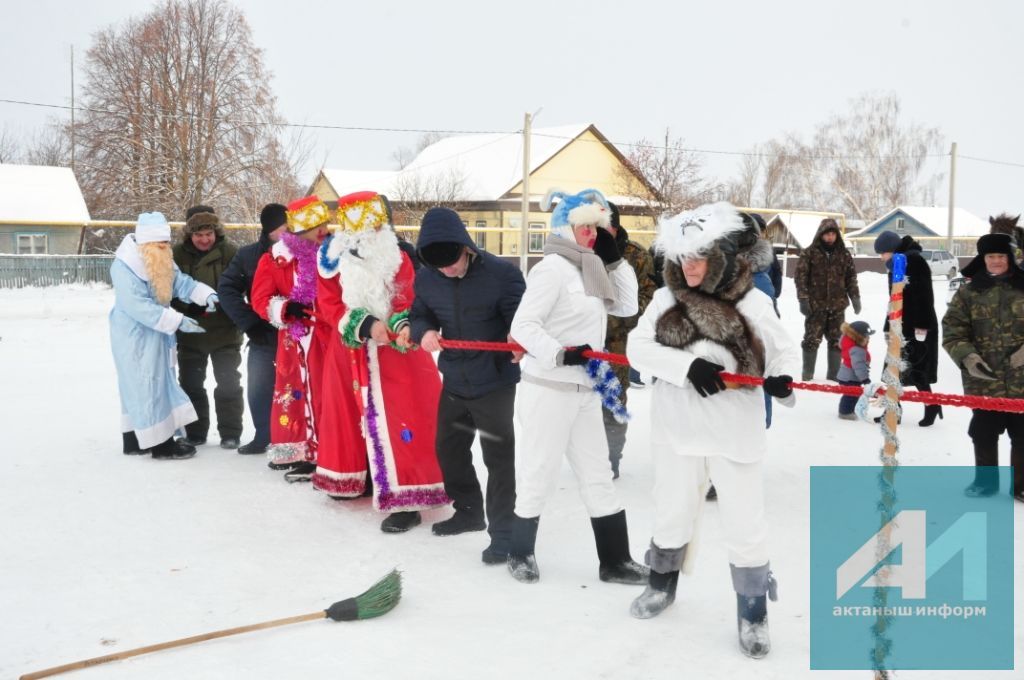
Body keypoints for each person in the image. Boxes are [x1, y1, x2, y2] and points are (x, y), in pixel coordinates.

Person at [626, 202, 799, 659]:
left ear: (720, 258)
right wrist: (687, 366)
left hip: (732, 432)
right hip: (677, 426)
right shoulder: (667, 298)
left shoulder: (751, 300)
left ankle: (753, 611)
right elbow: (637, 347)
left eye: (699, 259)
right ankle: (661, 585)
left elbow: (783, 349)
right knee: (671, 512)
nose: (690, 268)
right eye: (684, 258)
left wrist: (779, 379)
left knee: (745, 522)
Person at [506, 187, 647, 586]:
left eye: (597, 227)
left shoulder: (595, 267)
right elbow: (523, 326)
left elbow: (627, 306)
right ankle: (520, 552)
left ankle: (615, 561)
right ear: (567, 227)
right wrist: (560, 353)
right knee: (539, 472)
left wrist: (616, 260)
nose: (593, 233)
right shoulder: (551, 268)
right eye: (586, 226)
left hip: (586, 391)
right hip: (548, 388)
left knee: (598, 474)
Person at [315, 191, 449, 533]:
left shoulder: (398, 256)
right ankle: (357, 477)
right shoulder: (330, 259)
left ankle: (408, 497)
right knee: (349, 416)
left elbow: (409, 297)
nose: (368, 229)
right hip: (349, 351)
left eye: (373, 221)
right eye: (359, 221)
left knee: (403, 418)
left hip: (396, 354)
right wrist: (363, 324)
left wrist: (401, 323)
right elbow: (329, 305)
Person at [402, 206, 525, 561]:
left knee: (498, 459)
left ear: (465, 246)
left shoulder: (502, 274)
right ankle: (469, 511)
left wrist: (518, 339)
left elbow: (522, 316)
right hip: (455, 381)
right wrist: (423, 330)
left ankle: (503, 534)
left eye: (451, 262)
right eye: (438, 265)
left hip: (494, 383)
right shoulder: (426, 278)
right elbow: (420, 312)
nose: (446, 270)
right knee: (449, 450)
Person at [110, 212, 217, 460]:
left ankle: (135, 440)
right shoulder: (125, 265)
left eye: (166, 243)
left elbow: (180, 282)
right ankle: (161, 445)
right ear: (146, 243)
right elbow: (136, 305)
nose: (165, 248)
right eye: (160, 244)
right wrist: (177, 320)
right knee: (146, 385)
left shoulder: (158, 259)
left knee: (145, 385)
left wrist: (205, 294)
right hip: (135, 336)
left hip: (155, 334)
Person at [250, 196, 331, 479]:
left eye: (324, 222)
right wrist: (284, 308)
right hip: (293, 341)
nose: (322, 229)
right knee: (293, 392)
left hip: (328, 336)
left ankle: (331, 452)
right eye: (314, 224)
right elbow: (259, 299)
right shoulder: (275, 259)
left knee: (327, 392)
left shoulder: (334, 254)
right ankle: (297, 450)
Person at [942, 232, 1024, 503]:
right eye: (991, 256)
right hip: (984, 380)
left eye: (1001, 256)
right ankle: (985, 483)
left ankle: (1021, 486)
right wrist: (968, 358)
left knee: (1022, 434)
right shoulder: (969, 293)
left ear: (1009, 258)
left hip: (1021, 381)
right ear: (983, 259)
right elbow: (952, 330)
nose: (997, 261)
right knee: (983, 433)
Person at [171, 206, 244, 449]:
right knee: (191, 384)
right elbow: (168, 289)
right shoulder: (177, 255)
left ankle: (230, 432)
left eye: (209, 233)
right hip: (191, 332)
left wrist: (229, 305)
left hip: (226, 332)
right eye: (198, 234)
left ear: (216, 231)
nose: (204, 239)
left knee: (228, 383)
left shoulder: (230, 252)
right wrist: (187, 308)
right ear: (189, 234)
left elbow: (240, 286)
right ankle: (195, 432)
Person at [218, 203, 288, 454]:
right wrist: (250, 323)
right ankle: (263, 435)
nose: (289, 234)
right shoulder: (249, 256)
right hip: (263, 334)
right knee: (259, 385)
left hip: (297, 334)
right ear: (269, 230)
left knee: (295, 388)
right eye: (283, 229)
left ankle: (296, 437)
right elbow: (226, 289)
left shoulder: (302, 252)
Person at [603, 201, 656, 478]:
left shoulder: (635, 256)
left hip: (618, 343)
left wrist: (609, 322)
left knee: (613, 402)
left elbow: (647, 301)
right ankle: (587, 457)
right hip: (581, 342)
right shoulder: (579, 252)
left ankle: (611, 459)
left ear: (614, 226)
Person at [872, 230, 941, 426]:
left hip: (917, 326)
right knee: (894, 370)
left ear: (891, 250)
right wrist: (889, 325)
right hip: (900, 324)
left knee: (917, 370)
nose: (881, 258)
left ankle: (932, 405)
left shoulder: (914, 262)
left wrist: (922, 326)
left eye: (883, 253)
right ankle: (893, 410)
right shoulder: (897, 264)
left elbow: (925, 296)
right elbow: (893, 299)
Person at [794, 218, 860, 381]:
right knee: (811, 340)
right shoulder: (809, 253)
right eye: (827, 235)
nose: (830, 237)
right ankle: (807, 375)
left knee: (837, 341)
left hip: (837, 307)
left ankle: (833, 376)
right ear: (820, 235)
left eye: (833, 234)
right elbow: (800, 278)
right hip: (815, 306)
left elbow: (851, 278)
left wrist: (855, 297)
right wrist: (803, 299)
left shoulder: (844, 254)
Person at [837, 321, 874, 420]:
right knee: (851, 395)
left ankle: (849, 409)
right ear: (859, 336)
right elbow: (858, 365)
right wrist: (865, 379)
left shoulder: (851, 343)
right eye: (867, 336)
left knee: (852, 394)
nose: (869, 338)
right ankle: (845, 412)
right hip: (850, 377)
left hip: (847, 375)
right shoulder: (856, 349)